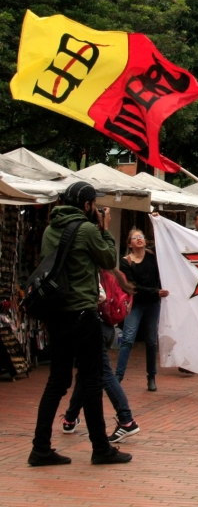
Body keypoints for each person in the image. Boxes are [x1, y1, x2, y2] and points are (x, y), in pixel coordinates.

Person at [29, 181, 131, 466]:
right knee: (92, 380)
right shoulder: (86, 230)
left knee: (57, 381)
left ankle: (40, 447)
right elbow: (109, 258)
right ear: (87, 206)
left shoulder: (51, 229)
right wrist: (104, 228)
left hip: (56, 313)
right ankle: (101, 448)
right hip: (82, 314)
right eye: (94, 204)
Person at [62, 270, 140, 443]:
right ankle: (70, 418)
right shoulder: (113, 272)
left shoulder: (93, 271)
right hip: (105, 327)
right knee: (85, 372)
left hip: (95, 326)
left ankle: (127, 420)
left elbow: (101, 296)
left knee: (104, 373)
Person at [115, 230, 169, 391]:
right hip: (136, 303)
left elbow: (165, 238)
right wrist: (155, 292)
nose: (139, 240)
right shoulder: (126, 262)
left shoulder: (153, 254)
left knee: (151, 341)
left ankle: (151, 376)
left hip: (153, 303)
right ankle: (118, 377)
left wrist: (157, 221)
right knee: (128, 339)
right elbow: (132, 286)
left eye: (141, 237)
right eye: (135, 238)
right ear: (129, 243)